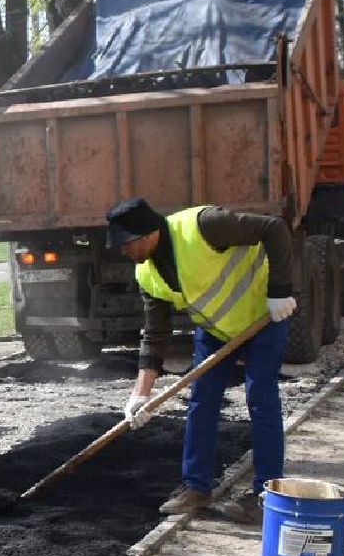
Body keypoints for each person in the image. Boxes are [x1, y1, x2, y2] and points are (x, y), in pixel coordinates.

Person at [106, 197, 297, 523]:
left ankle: (266, 495)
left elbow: (274, 228)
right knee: (201, 400)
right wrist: (141, 395)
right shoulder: (147, 275)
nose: (123, 251)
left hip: (264, 316)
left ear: (149, 233)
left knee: (260, 397)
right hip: (216, 330)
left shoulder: (204, 225)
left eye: (126, 243)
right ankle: (197, 487)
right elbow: (155, 334)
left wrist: (280, 289)